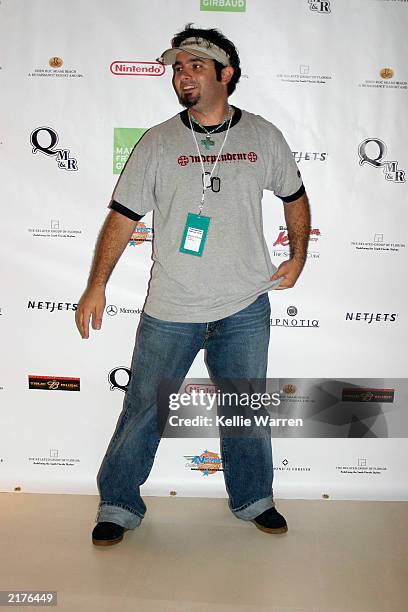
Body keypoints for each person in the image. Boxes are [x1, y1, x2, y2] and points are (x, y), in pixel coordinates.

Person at [75, 24, 310, 547]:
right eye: (177, 67)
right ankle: (118, 502)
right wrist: (97, 285)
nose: (182, 75)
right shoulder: (158, 141)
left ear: (225, 75)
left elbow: (295, 196)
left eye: (195, 65)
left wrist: (299, 255)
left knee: (245, 407)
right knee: (143, 407)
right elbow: (122, 217)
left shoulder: (263, 136)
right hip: (172, 305)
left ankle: (255, 498)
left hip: (245, 304)